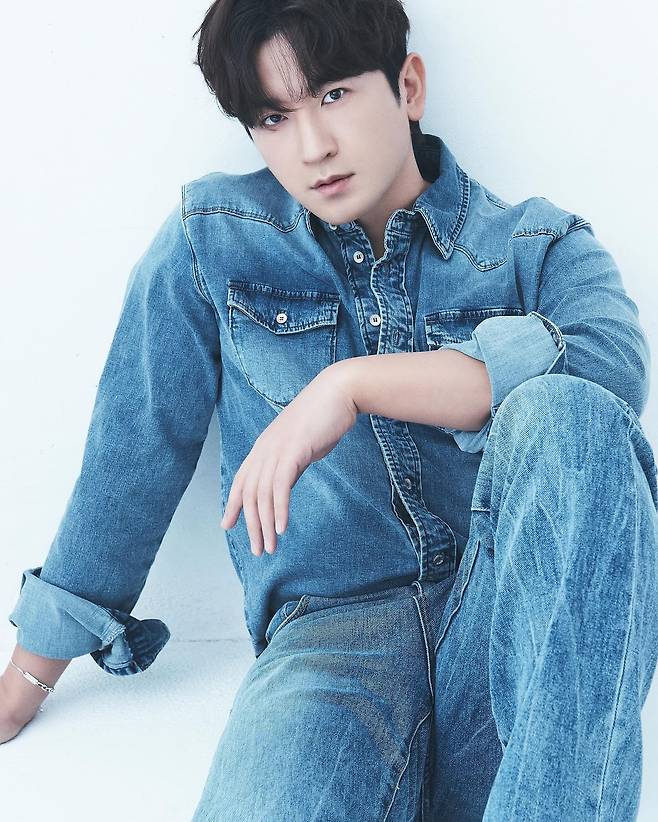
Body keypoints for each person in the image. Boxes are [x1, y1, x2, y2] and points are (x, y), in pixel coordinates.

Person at [2, 0, 657, 819]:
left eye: (334, 95)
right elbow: (132, 455)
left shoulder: (538, 248)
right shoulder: (215, 243)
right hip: (329, 647)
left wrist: (351, 383)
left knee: (570, 416)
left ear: (407, 86)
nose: (312, 147)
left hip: (515, 645)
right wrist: (27, 677)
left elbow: (609, 377)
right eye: (275, 118)